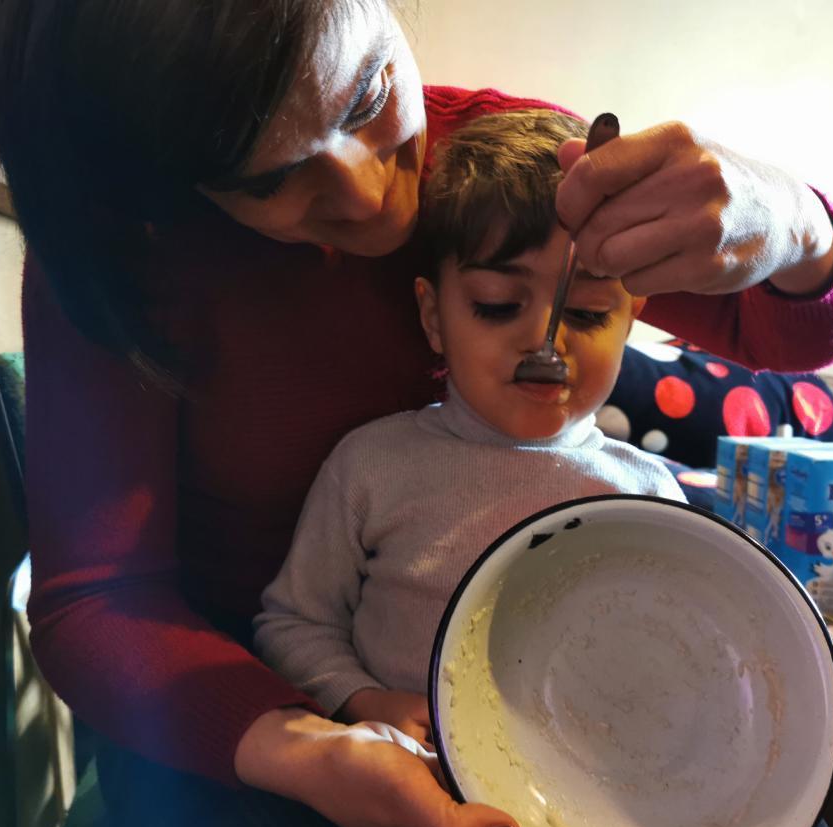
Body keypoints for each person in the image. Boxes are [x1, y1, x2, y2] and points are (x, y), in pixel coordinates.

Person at [0, 0, 833, 827]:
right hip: (236, 710)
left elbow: (807, 327)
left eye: (367, 93)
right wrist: (306, 740)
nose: (365, 195)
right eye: (269, 179)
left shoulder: (503, 174)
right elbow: (98, 603)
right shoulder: (125, 252)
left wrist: (790, 219)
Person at [253, 110, 685, 748]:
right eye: (496, 305)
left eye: (589, 313)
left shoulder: (650, 495)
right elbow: (293, 625)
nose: (545, 339)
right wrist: (364, 698)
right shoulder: (372, 465)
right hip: (407, 772)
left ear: (630, 320)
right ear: (434, 317)